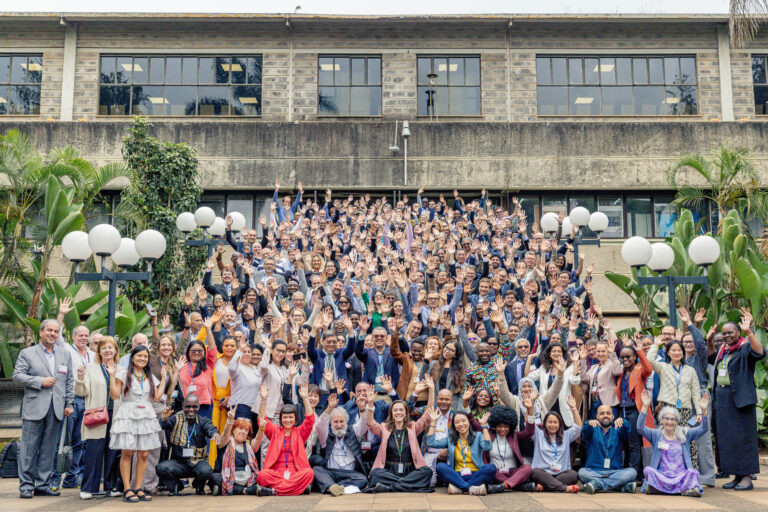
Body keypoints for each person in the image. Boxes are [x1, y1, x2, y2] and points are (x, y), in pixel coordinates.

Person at [13, 319, 74, 499]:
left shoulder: (64, 354)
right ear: (41, 332)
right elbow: (17, 375)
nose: (52, 334)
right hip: (34, 406)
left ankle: (42, 484)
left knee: (48, 448)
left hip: (56, 407)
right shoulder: (28, 353)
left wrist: (69, 403)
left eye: (56, 331)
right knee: (29, 448)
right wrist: (40, 382)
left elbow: (68, 380)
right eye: (49, 330)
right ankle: (26, 486)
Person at [712, 311, 765, 491]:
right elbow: (712, 360)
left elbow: (760, 353)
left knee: (744, 439)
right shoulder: (723, 350)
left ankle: (747, 477)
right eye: (724, 333)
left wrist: (749, 331)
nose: (726, 336)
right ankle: (736, 476)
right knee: (729, 439)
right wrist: (709, 338)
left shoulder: (744, 348)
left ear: (738, 333)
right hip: (723, 400)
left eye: (730, 332)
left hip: (740, 400)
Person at [107, 345, 166, 502]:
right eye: (139, 356)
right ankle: (127, 488)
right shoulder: (123, 373)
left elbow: (156, 397)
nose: (142, 359)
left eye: (145, 357)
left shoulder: (149, 376)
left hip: (146, 414)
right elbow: (114, 395)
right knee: (127, 452)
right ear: (132, 357)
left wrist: (164, 379)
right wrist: (112, 376)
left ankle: (138, 487)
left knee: (144, 453)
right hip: (128, 413)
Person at [156, 394, 235, 496]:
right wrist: (163, 419)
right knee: (161, 468)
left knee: (206, 471)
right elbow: (163, 425)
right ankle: (176, 486)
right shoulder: (176, 419)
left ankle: (198, 485)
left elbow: (211, 428)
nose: (191, 409)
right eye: (188, 406)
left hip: (197, 462)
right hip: (179, 463)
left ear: (199, 407)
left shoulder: (203, 421)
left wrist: (215, 434)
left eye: (194, 407)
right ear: (183, 407)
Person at [637, 389, 710, 497]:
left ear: (677, 421)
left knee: (693, 472)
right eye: (666, 418)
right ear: (661, 420)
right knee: (648, 470)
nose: (670, 422)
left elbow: (703, 429)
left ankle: (660, 489)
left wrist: (704, 411)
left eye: (673, 419)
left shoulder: (685, 433)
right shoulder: (656, 435)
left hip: (680, 476)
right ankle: (683, 489)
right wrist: (645, 406)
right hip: (662, 476)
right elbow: (640, 428)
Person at [75, 336, 121, 499]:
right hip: (97, 415)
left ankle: (111, 486)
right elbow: (81, 392)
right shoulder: (90, 368)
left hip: (116, 415)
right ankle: (88, 488)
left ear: (115, 350)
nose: (108, 350)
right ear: (99, 351)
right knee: (94, 452)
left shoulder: (121, 368)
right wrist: (80, 378)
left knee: (113, 452)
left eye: (111, 347)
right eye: (104, 348)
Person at [366, 389, 434, 493]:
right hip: (389, 471)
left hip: (409, 471)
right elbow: (370, 424)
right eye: (395, 410)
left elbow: (428, 416)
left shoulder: (413, 427)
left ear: (406, 413)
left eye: (401, 410)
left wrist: (431, 390)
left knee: (427, 471)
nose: (398, 413)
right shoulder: (384, 428)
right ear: (391, 413)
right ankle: (407, 485)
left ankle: (390, 488)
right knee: (375, 473)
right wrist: (370, 404)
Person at [647, 339, 702, 466]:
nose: (677, 352)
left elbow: (695, 392)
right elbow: (649, 360)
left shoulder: (690, 370)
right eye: (673, 350)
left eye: (679, 350)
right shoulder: (663, 367)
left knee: (687, 441)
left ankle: (690, 472)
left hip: (685, 411)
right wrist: (655, 345)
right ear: (668, 353)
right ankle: (665, 470)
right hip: (667, 409)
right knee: (666, 440)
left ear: (683, 352)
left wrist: (699, 412)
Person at [256, 383, 316, 495]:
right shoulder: (275, 431)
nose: (288, 420)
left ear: (295, 419)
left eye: (290, 417)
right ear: (281, 419)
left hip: (295, 473)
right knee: (262, 475)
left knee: (309, 473)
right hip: (276, 474)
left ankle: (274, 491)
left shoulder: (300, 432)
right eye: (285, 417)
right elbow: (261, 420)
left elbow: (310, 420)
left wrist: (305, 398)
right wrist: (264, 400)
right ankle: (296, 489)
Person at [430, 410, 502, 495]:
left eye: (464, 421)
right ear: (454, 425)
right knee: (440, 466)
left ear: (469, 422)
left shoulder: (478, 436)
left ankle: (460, 488)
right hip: (457, 475)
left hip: (476, 474)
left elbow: (488, 447)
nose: (461, 424)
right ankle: (470, 488)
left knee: (491, 468)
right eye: (457, 422)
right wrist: (433, 422)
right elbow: (431, 442)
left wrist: (484, 426)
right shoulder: (450, 439)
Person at [314, 393, 370, 496]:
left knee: (362, 479)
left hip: (350, 475)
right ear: (331, 423)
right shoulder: (326, 435)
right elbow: (319, 425)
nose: (339, 425)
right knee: (317, 470)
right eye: (335, 422)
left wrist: (362, 409)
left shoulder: (353, 431)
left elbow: (365, 423)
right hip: (331, 473)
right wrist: (329, 408)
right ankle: (332, 485)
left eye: (341, 421)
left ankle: (334, 487)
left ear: (346, 422)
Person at [577, 404, 637, 494]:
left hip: (614, 472)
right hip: (593, 471)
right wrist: (588, 423)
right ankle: (620, 486)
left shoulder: (618, 432)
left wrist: (623, 421)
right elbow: (585, 430)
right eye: (602, 413)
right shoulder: (592, 430)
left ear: (613, 417)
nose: (605, 415)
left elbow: (627, 428)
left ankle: (597, 484)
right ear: (597, 417)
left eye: (608, 413)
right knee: (582, 472)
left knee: (632, 472)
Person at [614, 343, 652, 482]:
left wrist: (640, 351)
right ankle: (627, 471)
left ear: (635, 357)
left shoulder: (639, 369)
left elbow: (648, 369)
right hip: (621, 410)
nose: (624, 359)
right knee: (624, 443)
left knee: (635, 444)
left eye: (628, 356)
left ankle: (633, 475)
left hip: (635, 411)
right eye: (622, 357)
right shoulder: (622, 372)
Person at [530, 395, 582, 493]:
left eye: (555, 422)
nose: (552, 425)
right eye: (550, 422)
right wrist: (531, 406)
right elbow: (529, 424)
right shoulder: (538, 434)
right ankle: (564, 488)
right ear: (545, 423)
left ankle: (546, 486)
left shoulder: (566, 435)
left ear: (559, 424)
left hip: (560, 474)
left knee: (573, 475)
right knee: (535, 472)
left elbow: (578, 428)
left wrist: (574, 409)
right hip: (543, 473)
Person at [210, 417, 268, 496]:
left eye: (246, 430)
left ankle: (223, 489)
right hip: (228, 477)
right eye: (240, 428)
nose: (243, 432)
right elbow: (226, 433)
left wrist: (261, 430)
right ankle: (248, 490)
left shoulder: (249, 445)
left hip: (246, 477)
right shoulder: (225, 442)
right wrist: (230, 421)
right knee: (215, 478)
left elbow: (257, 439)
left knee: (260, 477)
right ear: (233, 430)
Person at [485, 403, 535, 491]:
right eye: (499, 426)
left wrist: (530, 410)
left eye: (506, 427)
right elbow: (475, 426)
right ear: (494, 426)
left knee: (527, 468)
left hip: (513, 472)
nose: (502, 429)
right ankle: (517, 486)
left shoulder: (514, 435)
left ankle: (502, 486)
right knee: (489, 469)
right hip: (496, 472)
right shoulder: (488, 434)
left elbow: (529, 432)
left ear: (510, 426)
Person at [178, 314, 219, 420]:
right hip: (185, 405)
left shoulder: (208, 364)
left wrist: (208, 329)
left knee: (202, 434)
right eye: (193, 350)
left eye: (200, 351)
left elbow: (212, 348)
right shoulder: (182, 363)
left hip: (204, 405)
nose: (196, 353)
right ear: (188, 352)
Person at [579, 339, 622, 419]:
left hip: (608, 401)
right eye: (598, 351)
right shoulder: (594, 367)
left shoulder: (611, 363)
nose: (600, 354)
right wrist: (582, 360)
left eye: (603, 351)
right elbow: (584, 378)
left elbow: (617, 372)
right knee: (597, 429)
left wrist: (612, 353)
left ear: (607, 351)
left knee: (609, 428)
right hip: (594, 402)